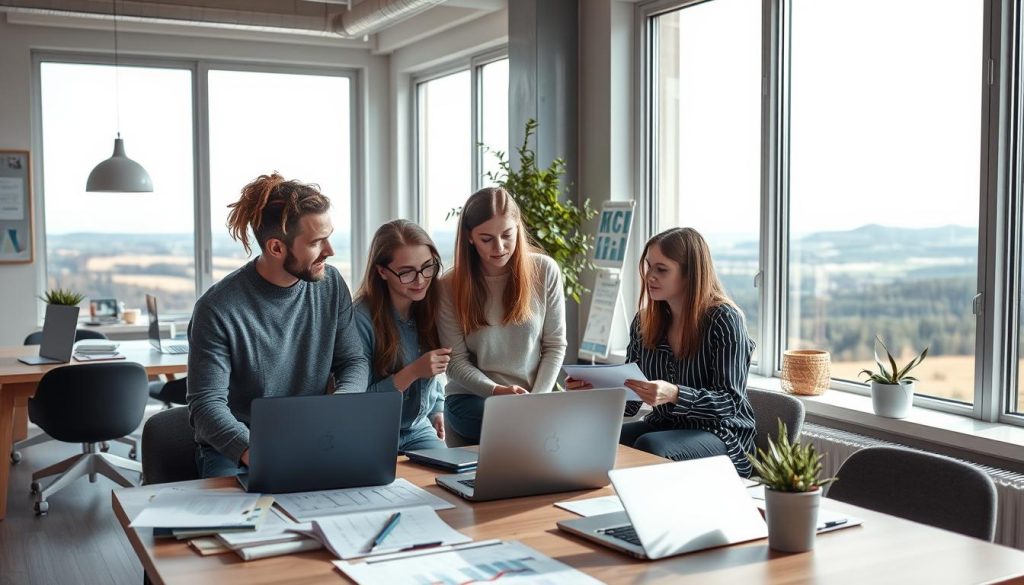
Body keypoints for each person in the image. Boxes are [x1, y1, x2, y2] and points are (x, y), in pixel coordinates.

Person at [187, 172, 369, 479]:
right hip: (240, 450)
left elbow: (353, 360)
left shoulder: (331, 284)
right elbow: (206, 405)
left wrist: (342, 406)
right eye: (316, 242)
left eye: (329, 236)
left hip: (315, 439)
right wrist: (259, 453)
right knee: (240, 522)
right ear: (276, 248)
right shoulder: (216, 309)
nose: (330, 250)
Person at [566, 227, 757, 476]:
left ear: (690, 275)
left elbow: (730, 402)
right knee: (599, 437)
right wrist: (594, 391)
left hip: (722, 434)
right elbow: (631, 405)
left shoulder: (723, 319)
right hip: (666, 425)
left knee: (650, 446)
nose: (649, 277)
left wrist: (675, 394)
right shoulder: (645, 322)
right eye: (648, 266)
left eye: (661, 269)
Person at [438, 187, 567, 442]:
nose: (499, 247)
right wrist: (496, 391)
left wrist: (537, 400)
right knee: (515, 426)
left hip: (531, 399)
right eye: (486, 239)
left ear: (518, 227)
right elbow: (456, 363)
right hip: (472, 399)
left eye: (507, 235)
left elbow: (554, 345)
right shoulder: (449, 285)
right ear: (469, 237)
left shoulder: (544, 271)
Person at [353, 220, 449, 452]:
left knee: (453, 478)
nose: (420, 280)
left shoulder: (431, 306)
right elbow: (358, 404)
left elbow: (434, 376)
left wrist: (436, 408)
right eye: (406, 273)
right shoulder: (360, 319)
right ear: (382, 271)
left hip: (417, 429)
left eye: (428, 267)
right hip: (370, 432)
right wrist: (414, 372)